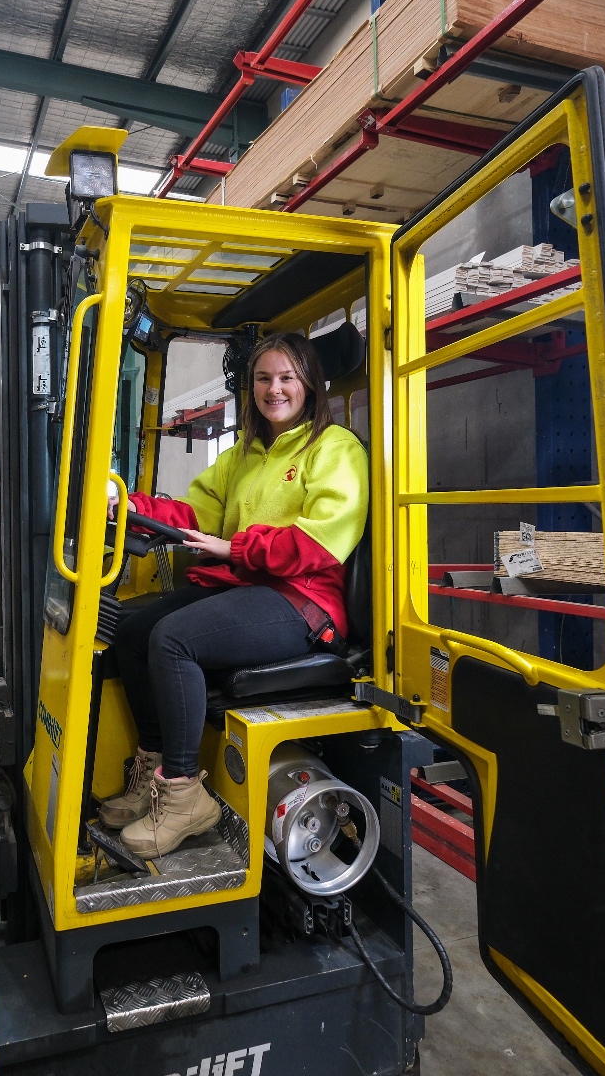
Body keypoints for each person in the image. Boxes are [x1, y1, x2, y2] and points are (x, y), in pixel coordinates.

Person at [100, 331, 369, 859]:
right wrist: (126, 503)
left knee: (174, 639)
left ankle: (184, 796)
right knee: (131, 632)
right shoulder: (245, 455)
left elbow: (321, 542)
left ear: (309, 384)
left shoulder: (336, 448)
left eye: (287, 378)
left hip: (302, 601)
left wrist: (236, 548)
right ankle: (152, 773)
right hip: (247, 585)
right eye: (264, 379)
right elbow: (195, 513)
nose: (275, 389)